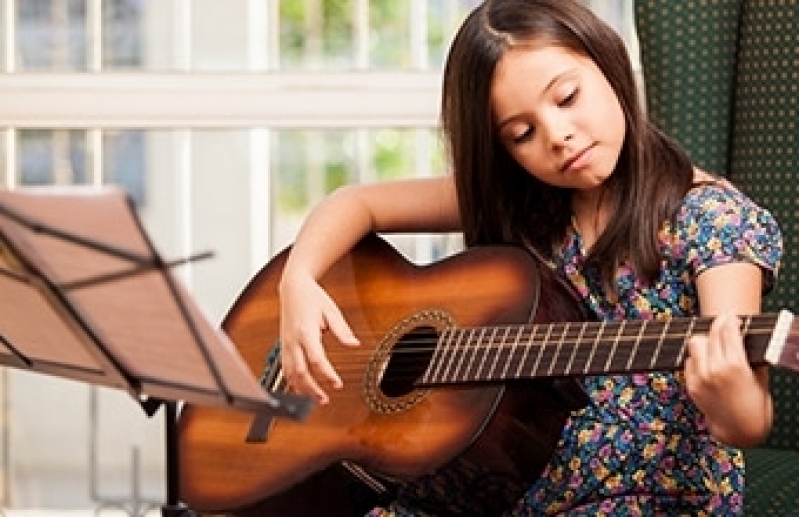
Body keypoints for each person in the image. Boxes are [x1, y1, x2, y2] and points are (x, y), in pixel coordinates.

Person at [277, 0, 784, 514]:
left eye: (567, 97)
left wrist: (734, 404)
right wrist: (299, 280)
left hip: (652, 495)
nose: (558, 136)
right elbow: (354, 204)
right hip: (501, 483)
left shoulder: (713, 220)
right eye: (522, 134)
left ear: (607, 64)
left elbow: (748, 419)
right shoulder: (523, 199)